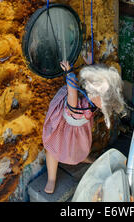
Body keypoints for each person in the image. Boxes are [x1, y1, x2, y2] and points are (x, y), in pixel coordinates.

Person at [42, 60, 125, 194]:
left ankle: (80, 156)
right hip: (64, 126)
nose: (106, 105)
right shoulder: (74, 102)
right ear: (94, 93)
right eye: (105, 101)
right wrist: (69, 72)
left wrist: (89, 63)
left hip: (80, 127)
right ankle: (51, 178)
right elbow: (72, 89)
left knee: (80, 144)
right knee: (53, 149)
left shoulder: (93, 99)